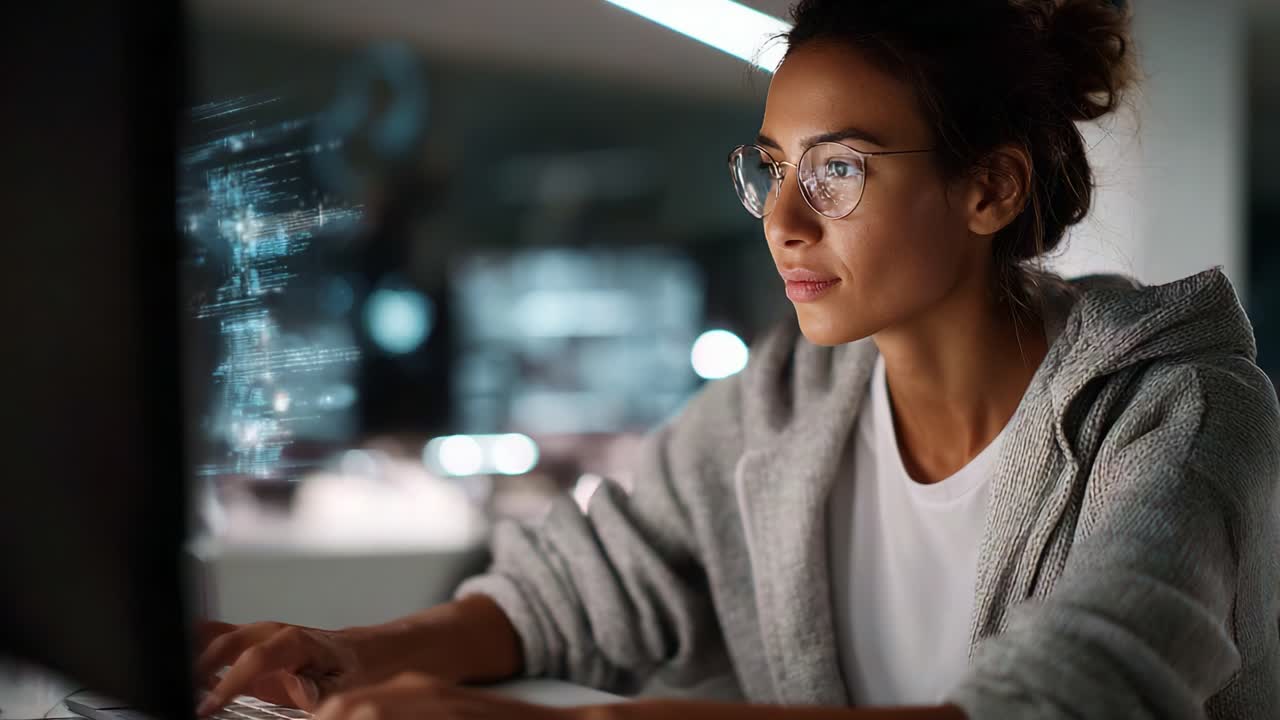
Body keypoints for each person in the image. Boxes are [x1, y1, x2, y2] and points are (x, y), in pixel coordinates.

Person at [194, 1, 1280, 718]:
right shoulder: (781, 402)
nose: (784, 220)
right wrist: (353, 654)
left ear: (988, 189)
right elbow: (583, 587)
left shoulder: (1172, 411)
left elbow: (1078, 698)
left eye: (839, 169)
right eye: (770, 169)